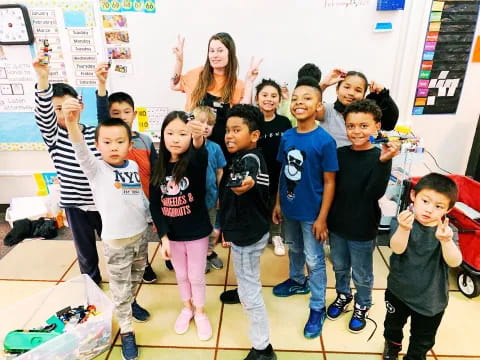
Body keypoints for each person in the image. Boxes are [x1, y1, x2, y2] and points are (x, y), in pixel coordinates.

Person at [64, 113, 150, 360]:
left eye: (120, 141)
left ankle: (130, 304)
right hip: (116, 242)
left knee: (136, 278)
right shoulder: (97, 169)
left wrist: (150, 216)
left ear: (129, 144)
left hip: (140, 236)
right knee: (119, 289)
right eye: (107, 142)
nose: (114, 147)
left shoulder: (132, 166)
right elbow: (80, 150)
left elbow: (137, 196)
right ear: (98, 145)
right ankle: (127, 330)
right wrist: (71, 124)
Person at [325, 100, 399, 334]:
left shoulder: (379, 157)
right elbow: (330, 188)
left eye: (363, 126)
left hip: (363, 227)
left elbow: (372, 194)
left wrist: (384, 162)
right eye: (351, 126)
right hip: (337, 224)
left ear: (377, 126)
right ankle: (343, 295)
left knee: (362, 272)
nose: (356, 131)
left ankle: (363, 303)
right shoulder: (339, 154)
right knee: (339, 265)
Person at [272, 77, 338, 339]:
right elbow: (282, 173)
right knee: (295, 248)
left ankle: (317, 306)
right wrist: (278, 202)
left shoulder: (325, 141)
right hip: (289, 208)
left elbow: (330, 182)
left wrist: (322, 218)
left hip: (313, 213)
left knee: (315, 258)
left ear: (319, 105)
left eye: (307, 98)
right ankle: (297, 280)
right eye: (296, 98)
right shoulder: (287, 136)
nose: (300, 103)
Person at [32, 55, 103, 285]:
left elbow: (107, 120)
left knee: (113, 246)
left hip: (101, 202)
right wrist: (43, 79)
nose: (63, 114)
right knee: (85, 253)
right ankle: (92, 286)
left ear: (80, 105)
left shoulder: (94, 132)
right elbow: (43, 117)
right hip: (74, 205)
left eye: (68, 106)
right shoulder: (54, 136)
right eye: (57, 109)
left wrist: (101, 84)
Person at [382, 173, 462, 360]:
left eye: (438, 206)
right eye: (425, 201)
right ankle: (392, 348)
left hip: (430, 300)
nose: (429, 210)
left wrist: (446, 241)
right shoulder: (403, 220)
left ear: (448, 210)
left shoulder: (448, 232)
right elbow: (397, 248)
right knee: (392, 326)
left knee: (422, 339)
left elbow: (455, 261)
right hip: (398, 292)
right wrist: (403, 229)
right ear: (413, 196)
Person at [149, 111, 213, 341]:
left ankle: (200, 311)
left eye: (182, 133)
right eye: (170, 133)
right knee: (181, 275)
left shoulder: (194, 162)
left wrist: (197, 138)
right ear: (162, 135)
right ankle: (187, 308)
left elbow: (199, 152)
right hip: (173, 236)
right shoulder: (158, 165)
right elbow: (155, 205)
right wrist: (164, 238)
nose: (176, 138)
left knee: (196, 275)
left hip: (196, 233)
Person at [219, 104, 277, 360]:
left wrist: (244, 184)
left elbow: (244, 183)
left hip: (247, 235)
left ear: (254, 135)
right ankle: (242, 290)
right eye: (227, 130)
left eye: (236, 130)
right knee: (247, 272)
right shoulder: (243, 156)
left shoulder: (250, 160)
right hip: (249, 230)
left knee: (250, 287)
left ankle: (263, 348)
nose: (229, 135)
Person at [95, 62, 159, 282]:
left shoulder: (145, 140)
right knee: (124, 239)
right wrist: (102, 84)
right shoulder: (109, 141)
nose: (122, 116)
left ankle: (145, 264)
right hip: (119, 202)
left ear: (134, 113)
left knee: (143, 235)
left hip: (145, 198)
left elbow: (157, 170)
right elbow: (102, 114)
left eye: (126, 112)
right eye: (115, 113)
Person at [170, 33, 261, 158]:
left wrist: (249, 81)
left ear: (230, 53)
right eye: (211, 51)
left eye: (220, 50)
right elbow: (174, 85)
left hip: (221, 150)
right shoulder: (198, 74)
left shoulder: (236, 84)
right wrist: (179, 61)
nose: (215, 55)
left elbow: (243, 115)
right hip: (192, 146)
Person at [256, 79, 292, 256]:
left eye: (273, 95)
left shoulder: (284, 122)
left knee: (276, 204)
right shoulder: (252, 121)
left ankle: (277, 236)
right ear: (257, 98)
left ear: (279, 100)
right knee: (258, 205)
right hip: (257, 173)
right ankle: (260, 235)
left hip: (278, 171)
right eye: (264, 95)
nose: (269, 99)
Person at [319, 69, 399, 147]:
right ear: (337, 89)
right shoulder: (327, 111)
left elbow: (389, 124)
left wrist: (383, 94)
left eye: (358, 90)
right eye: (346, 87)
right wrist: (324, 84)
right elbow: (308, 106)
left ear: (364, 95)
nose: (351, 93)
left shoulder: (368, 116)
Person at [192, 106, 227, 272]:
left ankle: (209, 252)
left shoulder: (216, 148)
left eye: (209, 124)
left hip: (211, 197)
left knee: (211, 227)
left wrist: (219, 195)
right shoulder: (188, 147)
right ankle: (198, 256)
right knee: (196, 228)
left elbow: (220, 171)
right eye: (201, 122)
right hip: (192, 201)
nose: (205, 126)